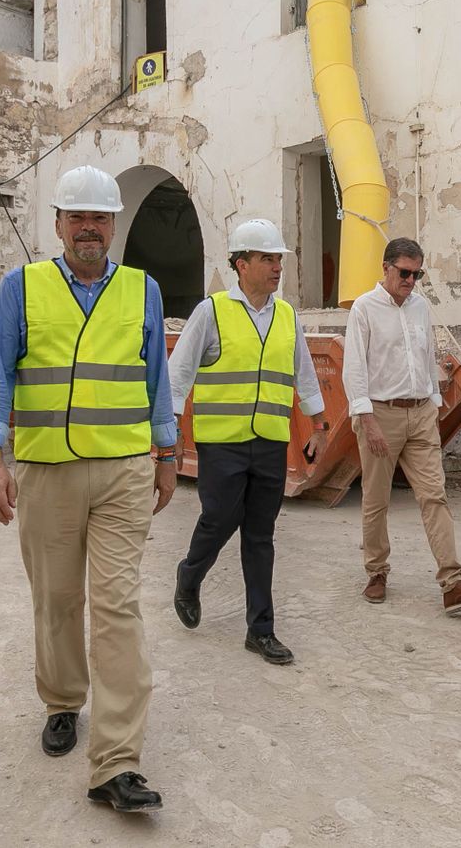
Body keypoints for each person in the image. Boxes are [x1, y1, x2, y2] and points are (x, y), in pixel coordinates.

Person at [0, 164, 176, 813]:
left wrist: (168, 452)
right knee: (57, 600)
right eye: (78, 216)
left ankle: (116, 763)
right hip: (47, 470)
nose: (89, 227)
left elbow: (156, 377)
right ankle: (62, 700)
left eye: (100, 218)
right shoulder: (22, 288)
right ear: (58, 224)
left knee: (117, 608)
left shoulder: (143, 289)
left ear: (114, 226)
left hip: (123, 472)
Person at [167, 219, 330, 666]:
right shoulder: (212, 311)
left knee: (261, 535)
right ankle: (189, 576)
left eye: (279, 259)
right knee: (219, 519)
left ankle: (261, 630)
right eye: (267, 259)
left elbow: (304, 374)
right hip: (222, 443)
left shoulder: (287, 316)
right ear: (242, 264)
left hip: (270, 442)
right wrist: (170, 430)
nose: (277, 267)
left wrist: (320, 426)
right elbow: (179, 374)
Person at [343, 238, 461, 615]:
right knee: (376, 499)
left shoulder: (419, 307)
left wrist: (433, 402)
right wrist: (367, 419)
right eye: (405, 273)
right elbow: (355, 368)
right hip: (380, 415)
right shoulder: (364, 308)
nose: (411, 281)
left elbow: (427, 356)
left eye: (418, 274)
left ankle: (453, 583)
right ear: (385, 268)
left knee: (434, 495)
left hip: (421, 415)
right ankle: (376, 572)